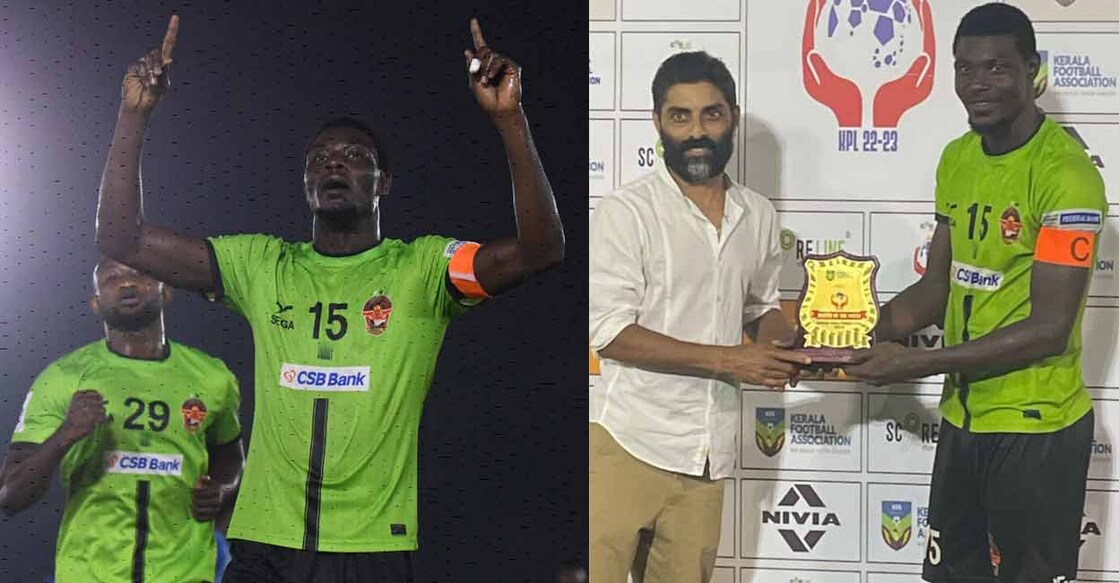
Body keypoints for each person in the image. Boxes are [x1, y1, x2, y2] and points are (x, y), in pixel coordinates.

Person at [96, 14, 564, 583]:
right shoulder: (260, 265)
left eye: (353, 156)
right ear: (305, 186)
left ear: (383, 183)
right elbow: (122, 239)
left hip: (374, 548)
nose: (333, 164)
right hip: (265, 543)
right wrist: (133, 116)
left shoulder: (423, 268)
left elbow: (540, 249)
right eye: (319, 159)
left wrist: (509, 119)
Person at [845, 4, 1106, 582]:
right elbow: (936, 287)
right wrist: (859, 330)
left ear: (1032, 69)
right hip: (965, 423)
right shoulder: (957, 158)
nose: (977, 85)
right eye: (965, 69)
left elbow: (1049, 328)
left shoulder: (1068, 174)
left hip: (1036, 429)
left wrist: (917, 362)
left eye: (996, 68)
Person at [588, 51, 809, 583]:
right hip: (627, 441)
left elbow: (759, 308)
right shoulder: (627, 211)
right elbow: (610, 332)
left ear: (732, 116)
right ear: (658, 123)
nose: (696, 132)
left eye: (710, 114)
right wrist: (733, 361)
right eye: (679, 116)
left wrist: (789, 344)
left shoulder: (758, 215)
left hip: (710, 454)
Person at [0, 257, 244, 582]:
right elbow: (10, 496)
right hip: (88, 575)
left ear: (166, 291)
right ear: (96, 304)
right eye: (112, 278)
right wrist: (65, 435)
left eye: (140, 274)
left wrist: (222, 490)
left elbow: (231, 459)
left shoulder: (213, 377)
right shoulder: (63, 377)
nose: (127, 283)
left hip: (184, 574)